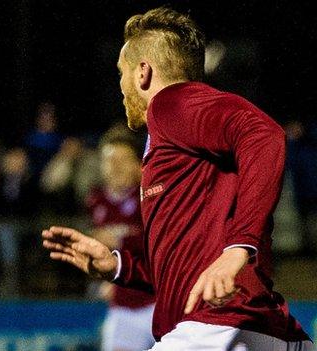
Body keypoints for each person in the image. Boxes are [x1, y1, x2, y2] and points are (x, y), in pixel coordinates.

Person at [42, 7, 313, 350]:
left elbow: (263, 134)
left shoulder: (172, 103)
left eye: (121, 73)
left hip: (213, 326)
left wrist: (239, 247)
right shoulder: (177, 136)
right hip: (257, 325)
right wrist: (118, 266)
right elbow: (185, 264)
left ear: (143, 72)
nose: (121, 87)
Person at [85, 128, 154, 351]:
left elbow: (158, 244)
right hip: (122, 307)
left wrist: (121, 241)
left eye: (123, 159)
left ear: (138, 164)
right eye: (109, 159)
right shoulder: (95, 200)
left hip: (158, 302)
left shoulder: (150, 196)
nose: (115, 166)